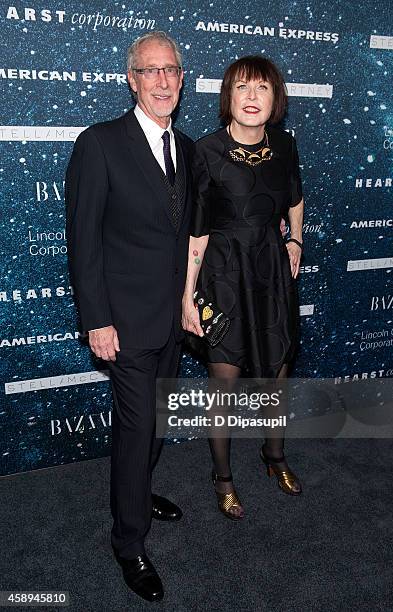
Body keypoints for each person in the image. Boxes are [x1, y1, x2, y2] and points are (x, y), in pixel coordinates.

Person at [65, 32, 193, 602]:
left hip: (174, 322)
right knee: (137, 428)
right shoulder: (100, 143)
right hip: (123, 322)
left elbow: (190, 236)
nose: (162, 81)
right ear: (132, 80)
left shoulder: (187, 148)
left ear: (181, 79)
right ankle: (129, 542)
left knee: (157, 424)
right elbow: (83, 240)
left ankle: (136, 493)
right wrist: (97, 319)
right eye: (151, 71)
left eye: (171, 71)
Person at [182, 56, 304, 520]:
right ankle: (223, 477)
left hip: (270, 274)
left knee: (276, 374)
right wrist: (187, 294)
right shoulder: (206, 151)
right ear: (227, 97)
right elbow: (197, 231)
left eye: (262, 89)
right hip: (222, 277)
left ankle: (274, 457)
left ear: (276, 99)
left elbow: (295, 197)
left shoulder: (285, 146)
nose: (252, 97)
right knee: (224, 384)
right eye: (242, 88)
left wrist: (295, 239)